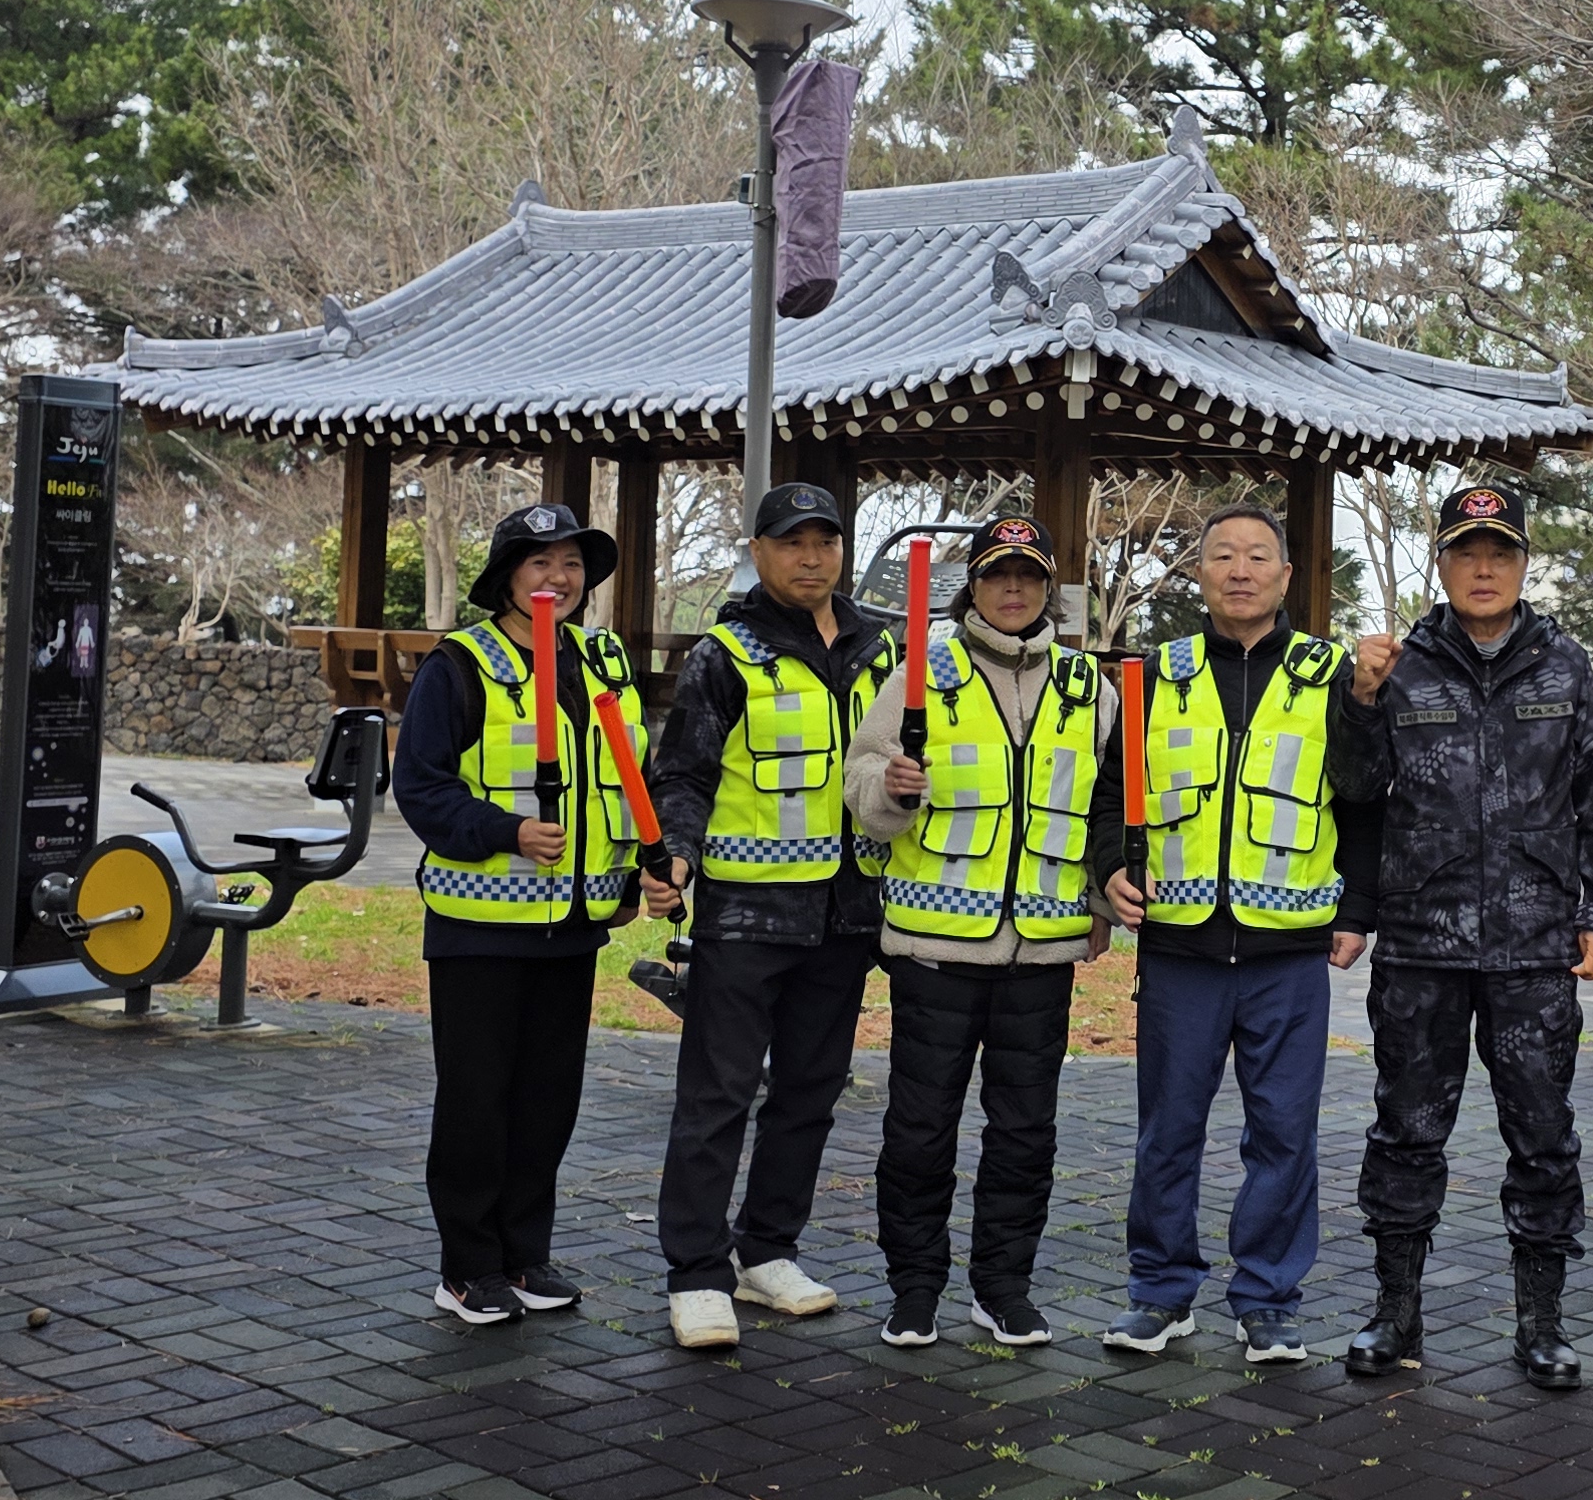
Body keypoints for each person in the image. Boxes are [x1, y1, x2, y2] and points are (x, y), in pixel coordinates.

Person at [1334, 485, 1593, 1390]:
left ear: (1525, 563)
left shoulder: (1564, 666)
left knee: (1543, 1136)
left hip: (1535, 947)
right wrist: (1359, 699)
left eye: (1501, 551)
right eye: (1467, 552)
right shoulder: (1401, 665)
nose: (1485, 568)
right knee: (1405, 1133)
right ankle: (1396, 1311)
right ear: (1443, 564)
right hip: (1421, 940)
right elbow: (1355, 789)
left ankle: (1543, 1323)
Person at [1097, 502, 1369, 1364]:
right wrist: (1109, 871)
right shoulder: (1155, 675)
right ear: (1198, 574)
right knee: (1167, 1131)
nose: (1240, 571)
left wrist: (1357, 910)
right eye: (1221, 556)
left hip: (1288, 949)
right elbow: (1112, 795)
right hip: (1180, 947)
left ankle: (1268, 1299)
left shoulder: (1332, 675)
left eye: (1257, 556)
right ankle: (1160, 1292)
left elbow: (1366, 798)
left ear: (1287, 575)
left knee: (1283, 1133)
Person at [845, 514, 1122, 1349]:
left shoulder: (1089, 689)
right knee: (919, 1129)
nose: (1012, 589)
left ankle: (1003, 1288)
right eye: (998, 574)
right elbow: (860, 780)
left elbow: (1109, 811)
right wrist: (890, 788)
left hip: (1043, 951)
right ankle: (914, 1286)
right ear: (972, 586)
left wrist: (1102, 905)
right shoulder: (922, 674)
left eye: (1028, 576)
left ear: (1048, 589)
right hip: (935, 950)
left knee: (1025, 1133)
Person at [641, 483, 900, 1350]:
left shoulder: (881, 648)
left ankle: (767, 1250)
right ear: (758, 552)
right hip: (747, 914)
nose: (811, 557)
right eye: (792, 542)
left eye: (826, 541)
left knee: (810, 1093)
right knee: (715, 1095)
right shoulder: (726, 653)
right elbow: (684, 772)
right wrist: (676, 853)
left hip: (846, 912)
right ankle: (696, 1271)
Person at [394, 501, 644, 1326]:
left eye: (572, 564)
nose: (558, 578)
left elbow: (626, 780)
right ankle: (467, 1267)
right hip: (480, 927)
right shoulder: (459, 664)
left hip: (573, 926)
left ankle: (525, 1254)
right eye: (540, 562)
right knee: (477, 1100)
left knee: (547, 1100)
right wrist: (505, 831)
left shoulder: (601, 661)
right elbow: (421, 786)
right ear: (506, 577)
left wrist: (636, 875)